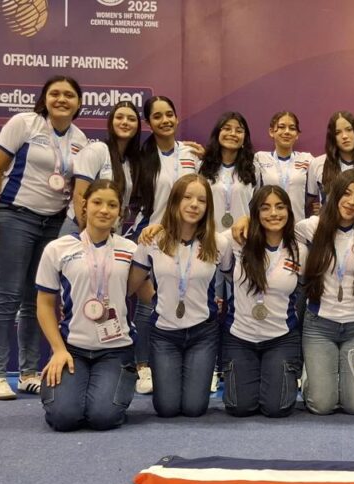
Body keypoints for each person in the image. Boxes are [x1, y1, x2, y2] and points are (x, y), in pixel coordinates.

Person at [0, 75, 89, 400]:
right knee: (7, 298)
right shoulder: (24, 124)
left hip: (53, 225)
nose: (62, 99)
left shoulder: (80, 139)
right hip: (15, 216)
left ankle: (28, 374)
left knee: (35, 301)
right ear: (45, 98)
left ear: (78, 103)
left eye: (69, 95)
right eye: (55, 93)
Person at [35, 179, 138, 431]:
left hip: (115, 349)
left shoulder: (131, 250)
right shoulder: (57, 249)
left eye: (112, 205)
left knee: (103, 418)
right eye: (97, 202)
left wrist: (152, 250)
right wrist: (58, 350)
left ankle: (108, 389)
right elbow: (45, 304)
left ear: (120, 212)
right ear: (84, 205)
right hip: (72, 349)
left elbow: (147, 295)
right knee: (64, 418)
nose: (104, 210)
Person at [128, 174, 230, 418]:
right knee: (167, 408)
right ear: (174, 201)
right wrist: (156, 300)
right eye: (187, 197)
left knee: (194, 408)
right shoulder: (153, 240)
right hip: (164, 335)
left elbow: (234, 281)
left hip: (203, 334)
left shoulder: (219, 243)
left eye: (202, 200)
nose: (194, 205)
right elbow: (132, 284)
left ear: (208, 207)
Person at [130, 95, 199, 394]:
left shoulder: (192, 153)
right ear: (148, 123)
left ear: (176, 117)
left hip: (186, 236)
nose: (165, 120)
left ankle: (181, 365)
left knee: (181, 298)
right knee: (148, 303)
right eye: (157, 116)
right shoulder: (141, 157)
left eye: (169, 114)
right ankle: (143, 366)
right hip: (151, 236)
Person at [299, 168, 354, 414]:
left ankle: (332, 377)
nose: (352, 202)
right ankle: (313, 376)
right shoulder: (310, 227)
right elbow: (270, 229)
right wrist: (244, 221)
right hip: (320, 326)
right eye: (346, 193)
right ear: (334, 194)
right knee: (322, 405)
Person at [219, 185, 304, 417]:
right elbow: (202, 236)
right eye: (265, 208)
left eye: (280, 207)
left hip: (281, 337)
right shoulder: (236, 241)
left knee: (277, 409)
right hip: (240, 337)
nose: (273, 213)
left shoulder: (299, 249)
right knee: (239, 407)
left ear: (289, 211)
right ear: (255, 212)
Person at [63, 101, 142, 236]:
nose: (125, 122)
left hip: (110, 233)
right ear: (111, 122)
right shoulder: (97, 150)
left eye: (131, 119)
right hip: (80, 229)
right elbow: (79, 194)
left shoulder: (130, 162)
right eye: (119, 117)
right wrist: (87, 234)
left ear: (137, 126)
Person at [307, 111, 354, 210]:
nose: (344, 136)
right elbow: (310, 200)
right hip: (328, 220)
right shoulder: (317, 164)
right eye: (337, 132)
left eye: (349, 130)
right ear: (332, 137)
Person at [254, 111, 314, 221]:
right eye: (281, 127)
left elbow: (314, 194)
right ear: (271, 132)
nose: (287, 132)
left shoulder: (307, 159)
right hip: (269, 222)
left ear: (297, 134)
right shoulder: (259, 158)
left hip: (297, 224)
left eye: (292, 128)